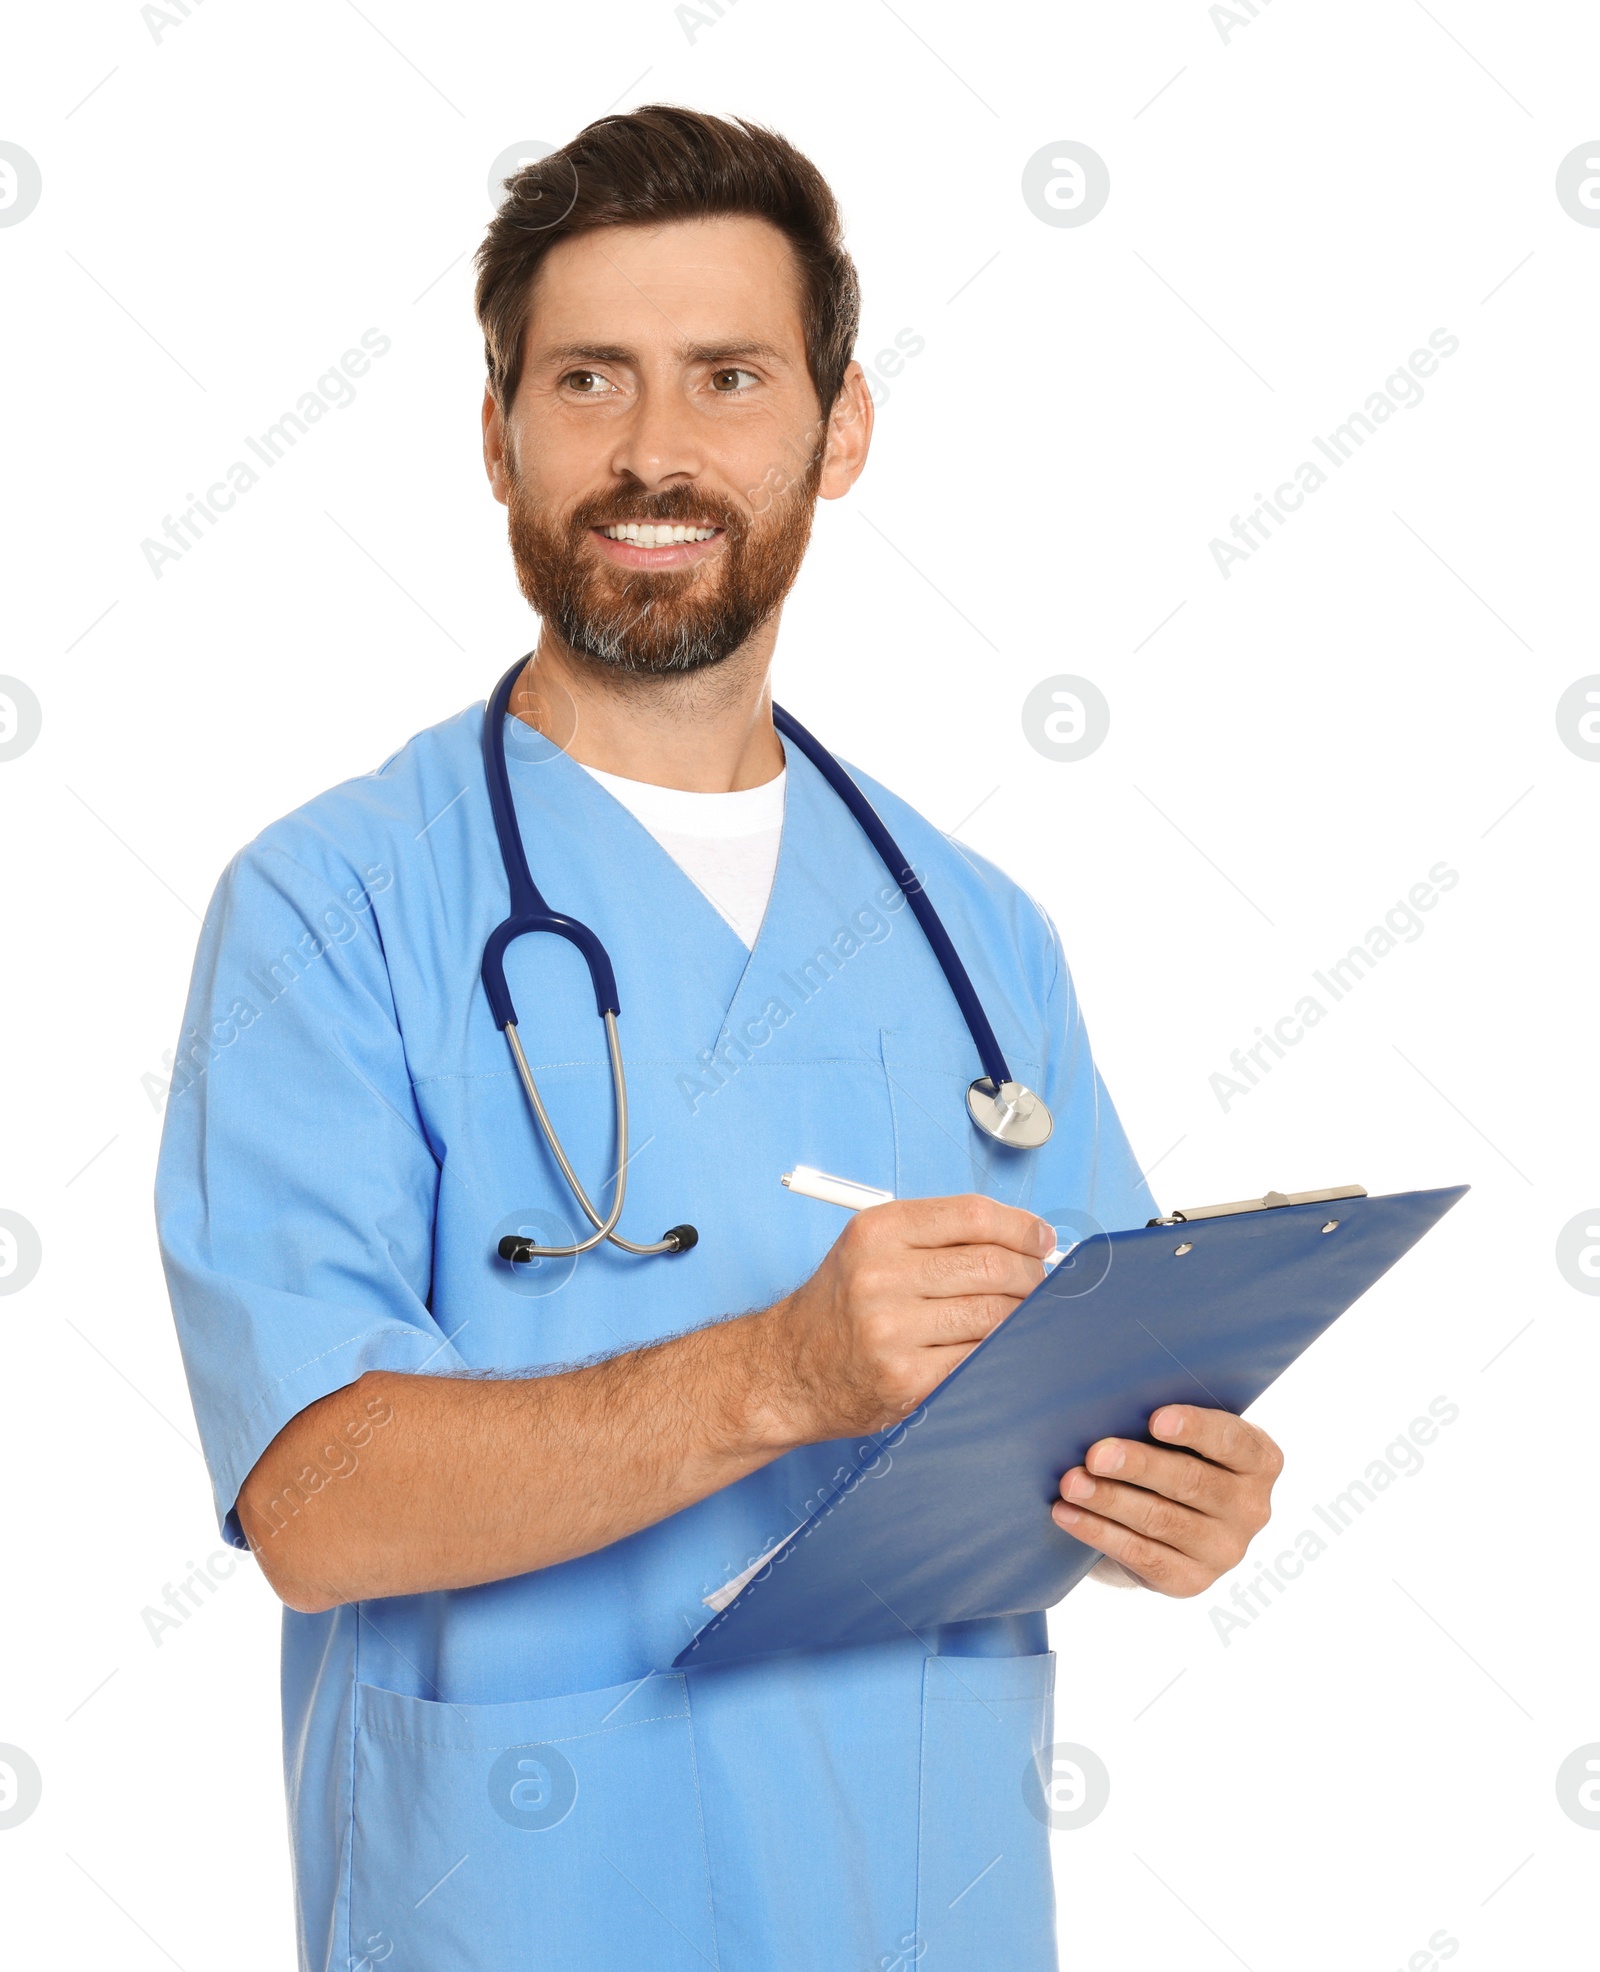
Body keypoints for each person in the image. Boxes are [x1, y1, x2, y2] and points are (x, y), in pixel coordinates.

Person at [155, 104, 1282, 1972]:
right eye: (588, 379)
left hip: (926, 1907)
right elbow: (312, 1506)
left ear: (839, 431)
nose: (655, 452)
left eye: (729, 377)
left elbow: (1076, 1405)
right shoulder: (333, 906)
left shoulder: (976, 932)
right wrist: (779, 1374)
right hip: (523, 1906)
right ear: (497, 431)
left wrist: (1170, 1494)